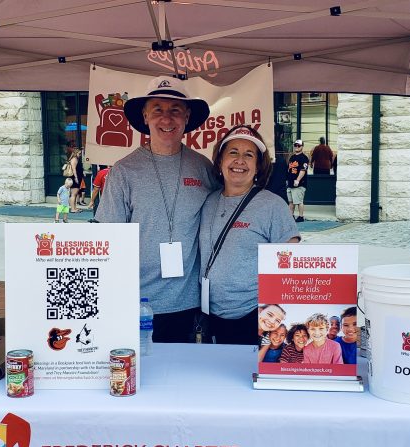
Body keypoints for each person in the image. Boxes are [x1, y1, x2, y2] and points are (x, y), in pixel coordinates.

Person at [95, 75, 216, 342]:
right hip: (139, 302)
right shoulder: (123, 172)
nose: (166, 119)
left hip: (191, 303)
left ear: (186, 117)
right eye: (158, 110)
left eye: (175, 110)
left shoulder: (203, 167)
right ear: (145, 116)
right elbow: (108, 240)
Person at [199, 125, 301, 344]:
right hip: (209, 314)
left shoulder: (273, 206)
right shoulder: (208, 202)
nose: (240, 161)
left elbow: (291, 264)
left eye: (249, 155)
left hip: (253, 317)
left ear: (258, 166)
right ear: (220, 161)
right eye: (233, 153)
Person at [286, 139, 309, 223]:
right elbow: (289, 169)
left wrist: (298, 180)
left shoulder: (304, 158)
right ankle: (291, 216)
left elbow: (303, 170)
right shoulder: (292, 157)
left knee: (299, 201)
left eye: (298, 145)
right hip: (290, 183)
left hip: (299, 184)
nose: (296, 147)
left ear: (302, 147)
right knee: (291, 201)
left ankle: (301, 216)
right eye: (295, 145)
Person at [65, 143, 84, 213]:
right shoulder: (74, 159)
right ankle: (73, 209)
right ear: (76, 153)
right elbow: (74, 169)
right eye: (79, 153)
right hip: (74, 178)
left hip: (77, 177)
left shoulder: (76, 159)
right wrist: (76, 178)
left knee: (75, 194)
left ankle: (74, 207)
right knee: (73, 194)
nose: (80, 154)